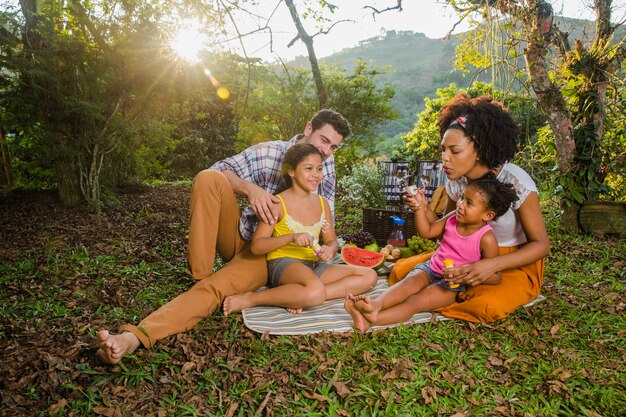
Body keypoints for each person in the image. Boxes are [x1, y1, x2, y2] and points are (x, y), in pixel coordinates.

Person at [97, 109, 351, 365]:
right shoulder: (268, 152)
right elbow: (220, 170)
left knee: (214, 290)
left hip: (269, 258)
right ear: (308, 128)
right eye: (324, 140)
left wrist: (313, 263)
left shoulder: (325, 170)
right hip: (241, 236)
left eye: (334, 147)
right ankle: (201, 274)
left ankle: (132, 338)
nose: (328, 151)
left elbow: (323, 223)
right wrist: (250, 189)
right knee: (209, 178)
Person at [393, 94, 549, 324]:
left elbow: (541, 245)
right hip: (462, 256)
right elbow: (447, 230)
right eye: (443, 150)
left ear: (479, 150)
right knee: (400, 271)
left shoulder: (515, 180)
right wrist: (422, 207)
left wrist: (489, 264)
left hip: (509, 265)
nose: (444, 158)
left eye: (454, 152)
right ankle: (445, 293)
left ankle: (445, 295)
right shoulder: (456, 182)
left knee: (485, 305)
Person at [345, 173, 518, 332]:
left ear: (487, 215)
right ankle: (376, 305)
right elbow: (427, 232)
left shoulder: (486, 238)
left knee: (415, 302)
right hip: (431, 268)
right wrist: (420, 208)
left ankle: (372, 320)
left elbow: (496, 276)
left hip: (452, 285)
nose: (460, 205)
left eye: (469, 203)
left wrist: (466, 271)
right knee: (410, 282)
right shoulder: (452, 218)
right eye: (462, 198)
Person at [223, 144, 377, 315]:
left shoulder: (322, 204)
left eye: (319, 169)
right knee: (315, 291)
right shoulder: (277, 204)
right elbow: (257, 246)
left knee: (369, 276)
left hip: (313, 265)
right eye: (309, 168)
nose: (316, 175)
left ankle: (303, 295)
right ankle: (252, 298)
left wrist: (329, 249)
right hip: (284, 264)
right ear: (291, 172)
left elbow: (332, 241)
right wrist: (291, 237)